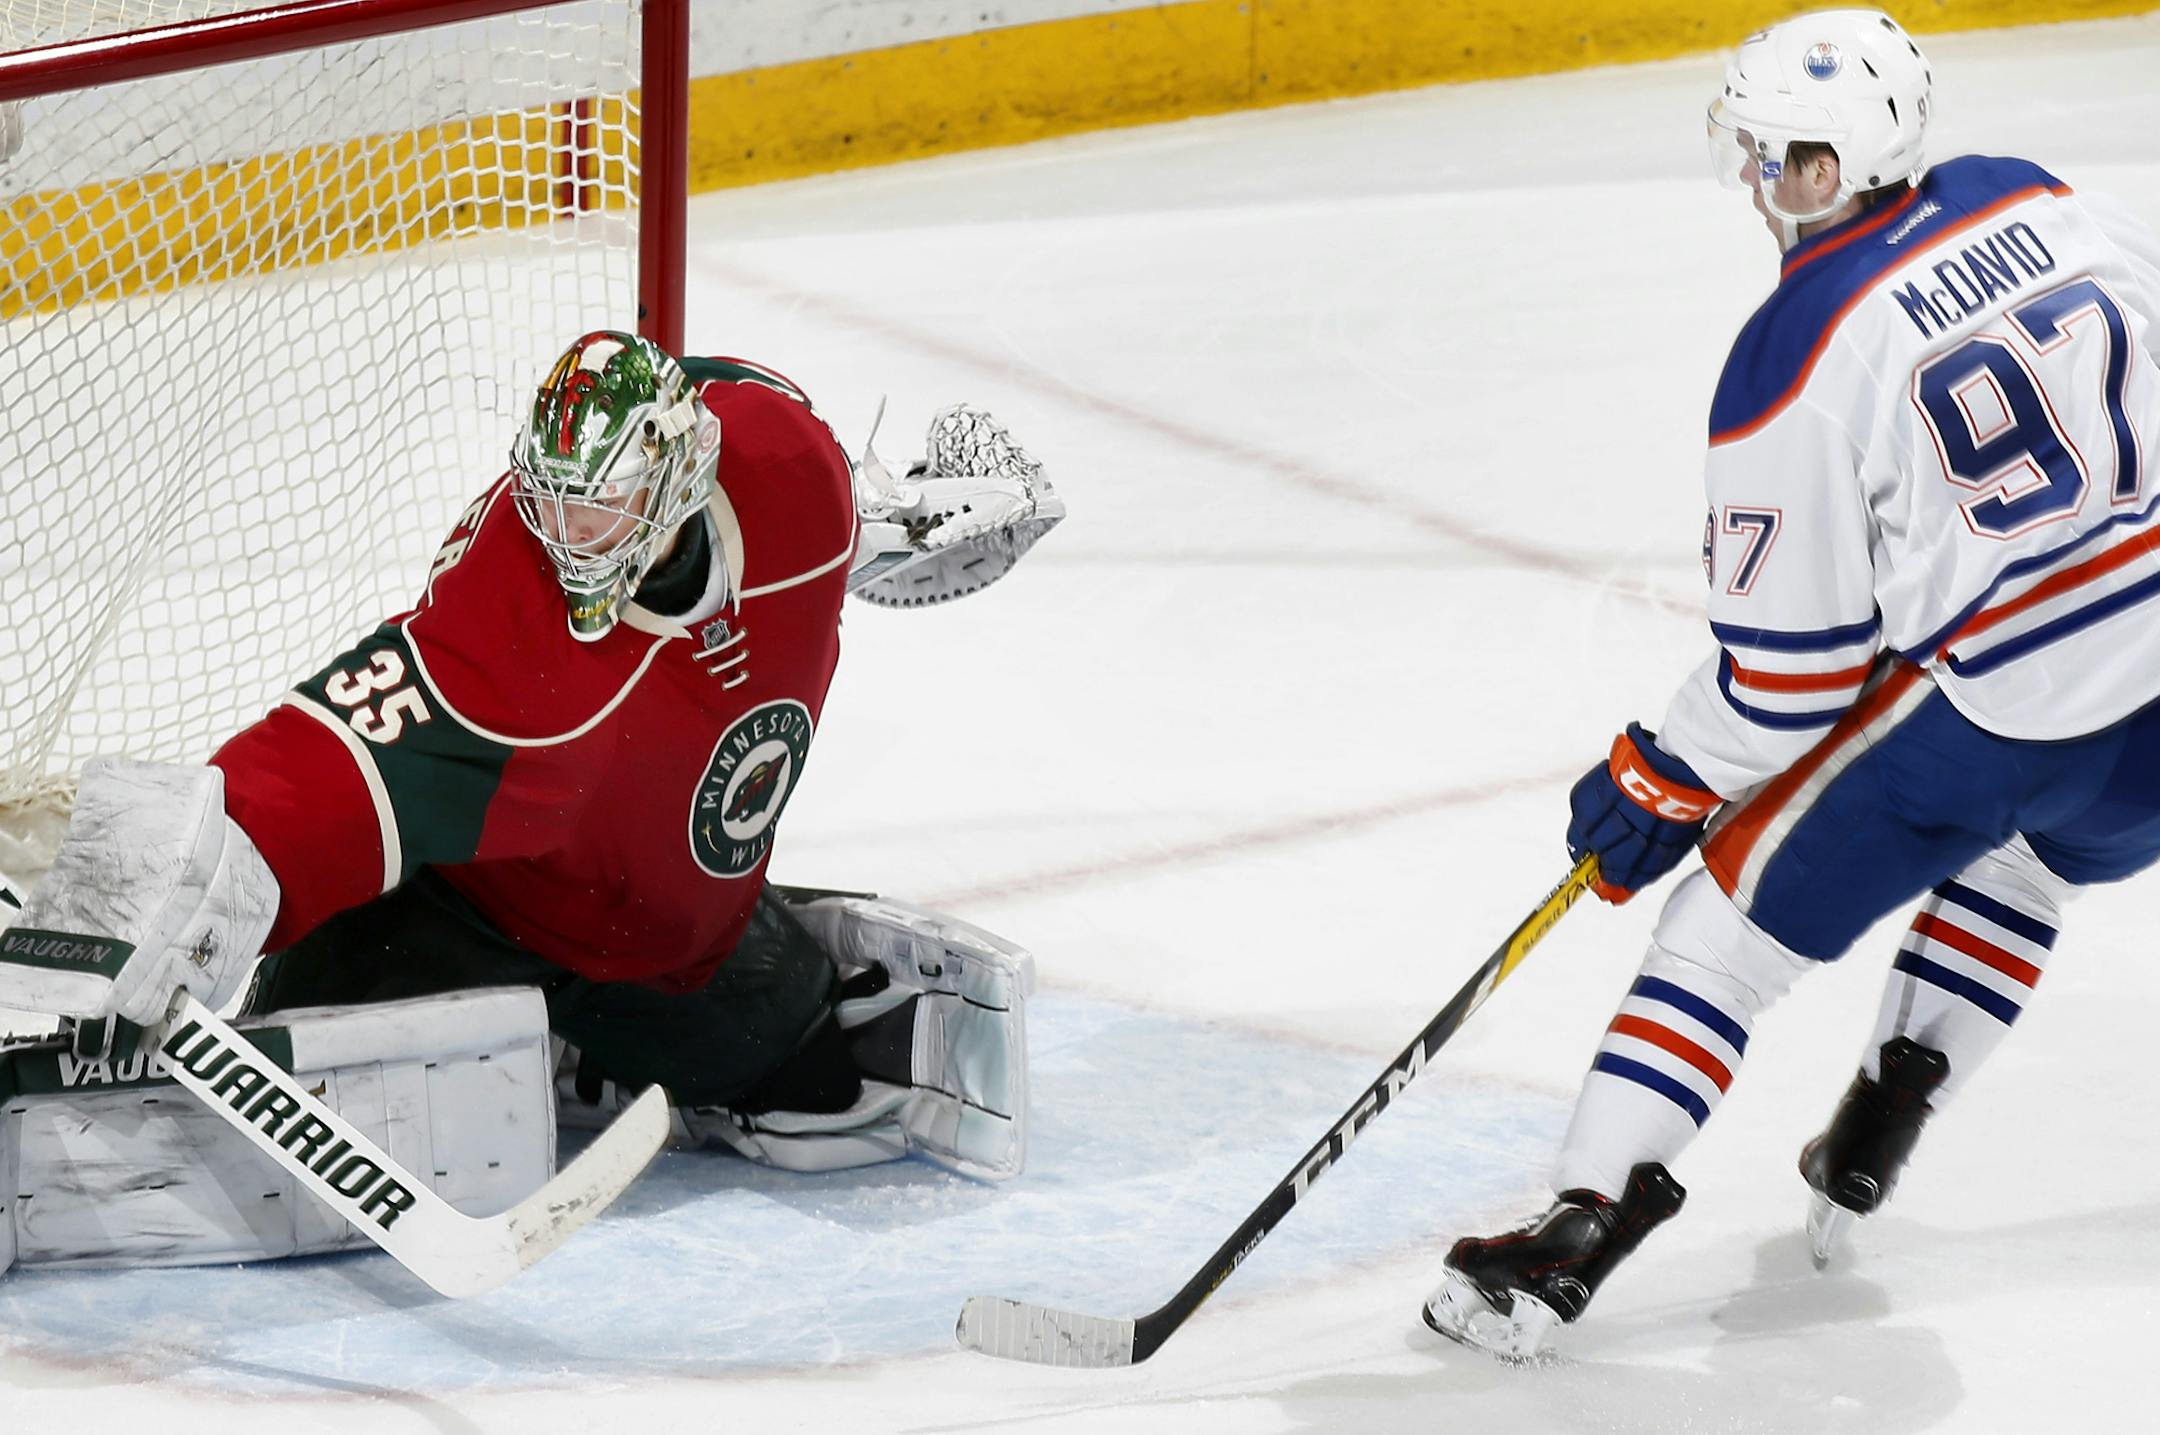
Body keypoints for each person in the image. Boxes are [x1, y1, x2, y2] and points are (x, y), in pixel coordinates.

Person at [0, 333, 1063, 1273]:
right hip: (461, 919)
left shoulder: (793, 476)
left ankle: (583, 1048)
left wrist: (916, 516)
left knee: (819, 1086)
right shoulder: (505, 637)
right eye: (552, 499)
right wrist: (142, 906)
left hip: (661, 945)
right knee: (306, 1107)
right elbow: (317, 768)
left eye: (600, 505)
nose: (570, 535)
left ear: (681, 472)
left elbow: (819, 504)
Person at [1421, 9, 2160, 1359]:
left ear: (1824, 169)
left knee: (1721, 933)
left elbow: (1792, 676)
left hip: (2004, 715)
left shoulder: (1796, 348)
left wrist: (1659, 776)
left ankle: (1577, 1227)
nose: (1758, 181)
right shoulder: (2042, 198)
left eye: (1773, 156)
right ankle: (1889, 1107)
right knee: (2028, 866)